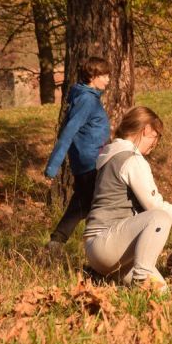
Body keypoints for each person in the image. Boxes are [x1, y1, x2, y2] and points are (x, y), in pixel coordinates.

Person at [84, 106, 172, 293]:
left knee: (162, 292)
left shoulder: (110, 156)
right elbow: (155, 206)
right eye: (156, 137)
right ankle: (141, 279)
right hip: (106, 243)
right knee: (158, 217)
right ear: (146, 130)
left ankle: (108, 276)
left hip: (105, 247)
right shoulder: (131, 159)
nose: (155, 144)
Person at [44, 57, 112, 251]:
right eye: (104, 75)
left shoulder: (86, 97)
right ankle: (101, 251)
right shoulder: (87, 100)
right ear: (92, 76)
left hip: (90, 160)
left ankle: (57, 244)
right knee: (102, 203)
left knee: (83, 203)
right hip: (91, 162)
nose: (108, 80)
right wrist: (52, 168)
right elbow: (67, 133)